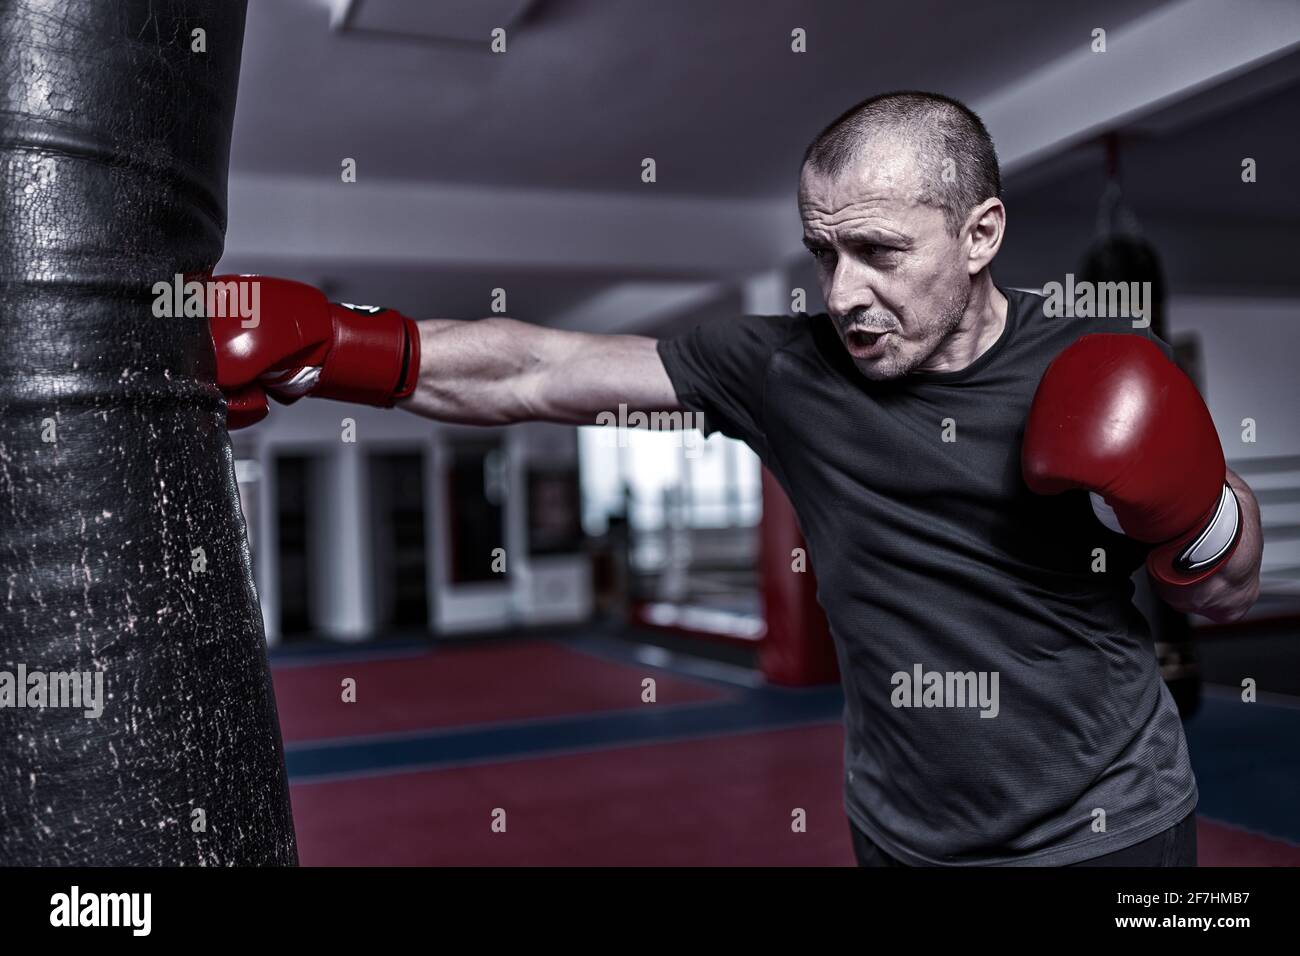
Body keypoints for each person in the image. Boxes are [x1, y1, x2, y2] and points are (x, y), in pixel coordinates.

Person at [207, 91, 1262, 866]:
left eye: (880, 252)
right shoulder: (786, 367)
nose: (844, 292)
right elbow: (540, 368)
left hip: (1106, 828)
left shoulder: (1095, 368)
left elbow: (1222, 587)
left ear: (979, 233)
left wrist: (1199, 510)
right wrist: (333, 345)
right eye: (821, 253)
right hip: (902, 832)